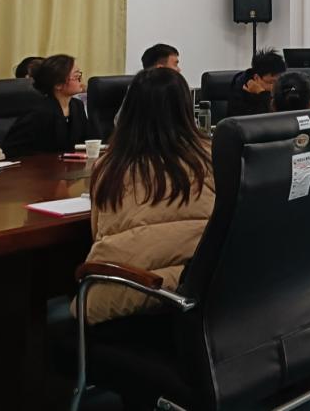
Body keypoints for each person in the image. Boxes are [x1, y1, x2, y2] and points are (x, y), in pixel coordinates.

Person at [80, 67, 215, 324]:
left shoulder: (110, 166)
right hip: (198, 292)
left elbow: (97, 231)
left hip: (125, 294)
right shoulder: (210, 156)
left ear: (129, 110)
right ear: (186, 109)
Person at [3, 54, 94, 157]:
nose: (81, 81)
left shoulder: (77, 105)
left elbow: (86, 140)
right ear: (58, 84)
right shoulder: (38, 112)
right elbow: (14, 149)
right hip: (40, 165)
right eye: (76, 76)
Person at [227, 48, 286, 117]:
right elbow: (261, 119)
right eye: (271, 82)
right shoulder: (241, 90)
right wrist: (262, 93)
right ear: (256, 78)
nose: (274, 86)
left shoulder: (282, 85)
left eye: (278, 82)